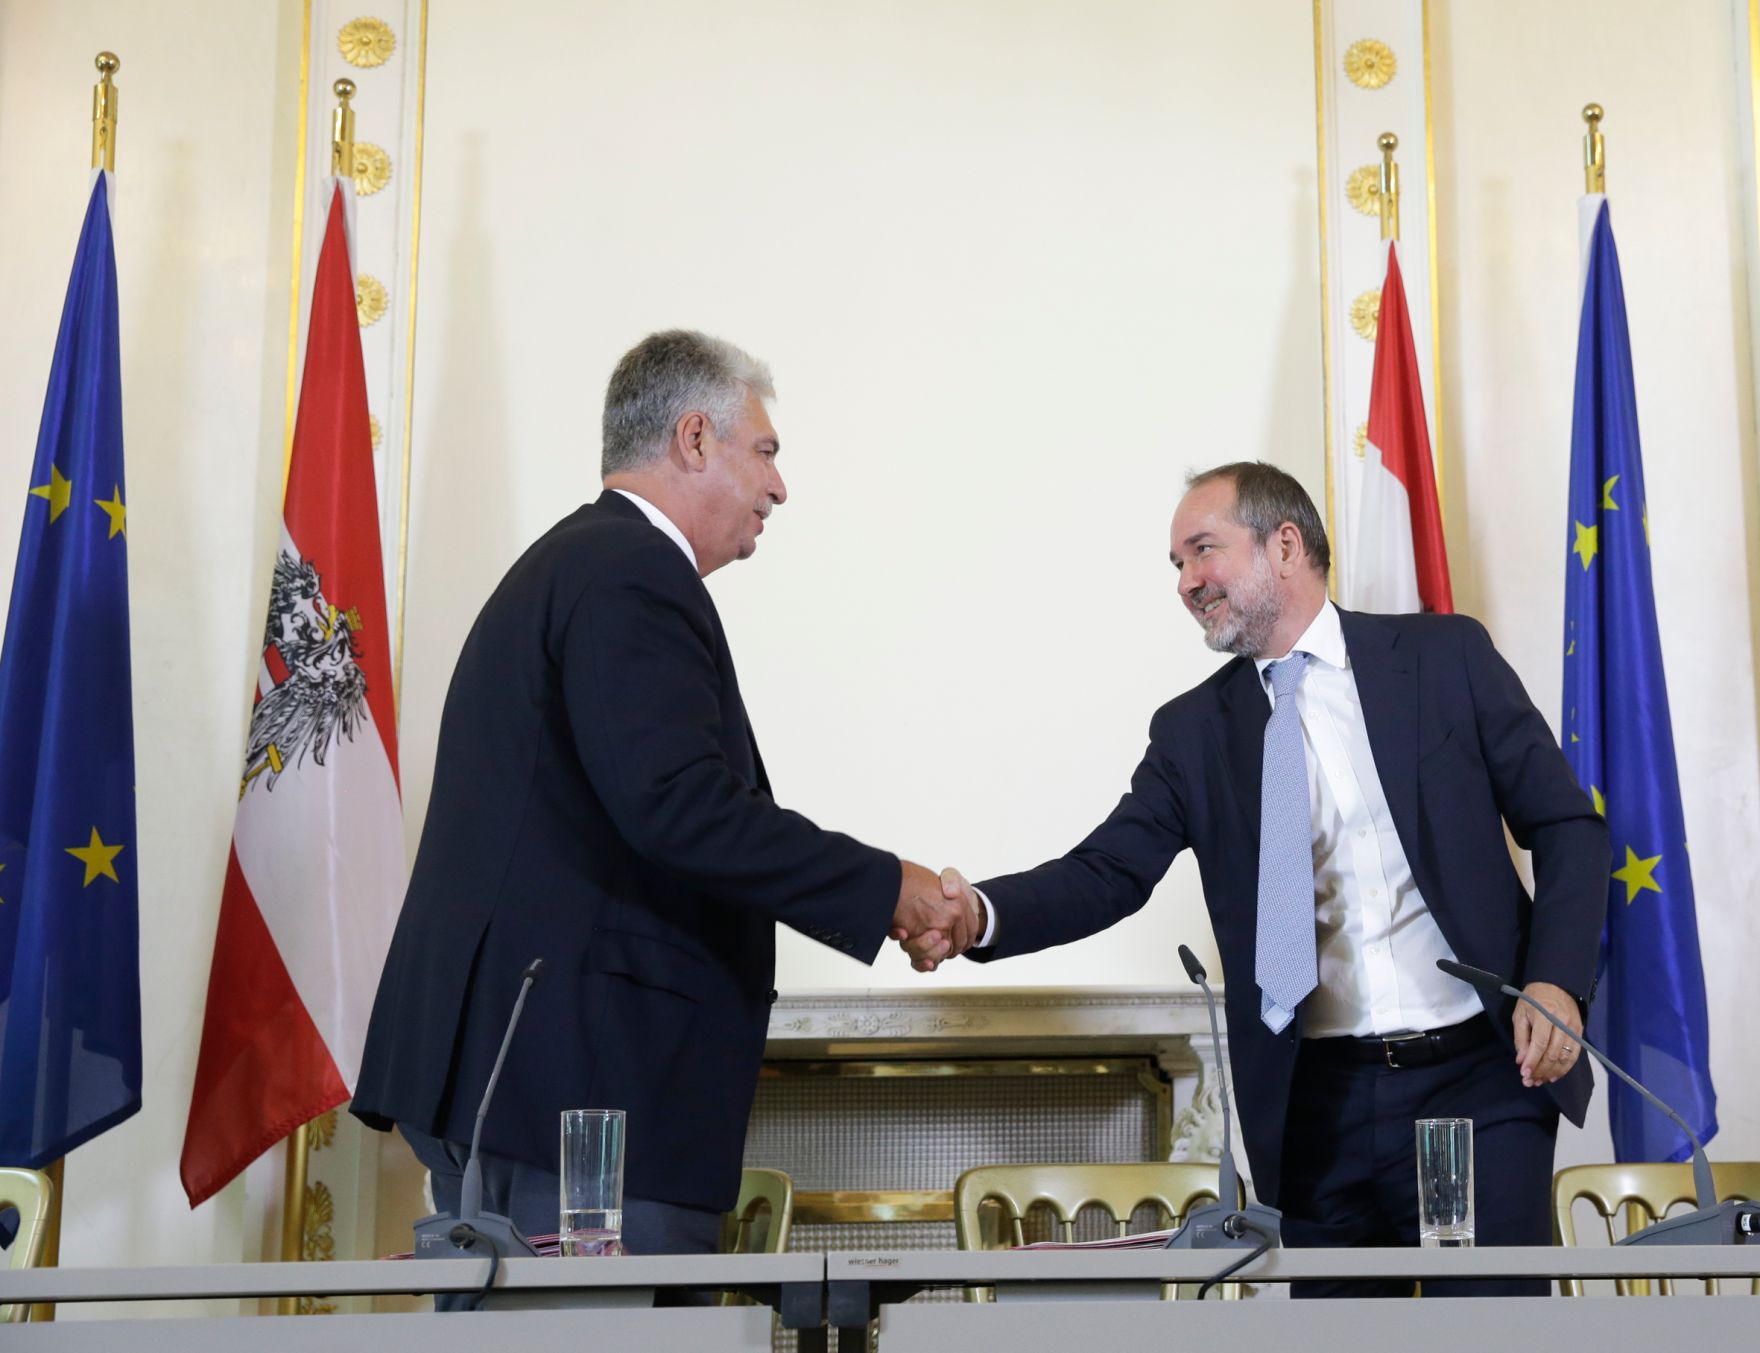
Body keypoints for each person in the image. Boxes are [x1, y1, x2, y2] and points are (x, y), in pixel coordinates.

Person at [354, 330, 979, 1257]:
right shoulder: (629, 571)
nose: (779, 487)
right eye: (765, 451)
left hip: (527, 1081)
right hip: (571, 1092)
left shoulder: (577, 563)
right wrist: (890, 887)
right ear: (694, 438)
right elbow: (680, 807)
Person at [919, 461, 1607, 1298]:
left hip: (1478, 1082)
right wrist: (978, 914)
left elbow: (1566, 825)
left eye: (1202, 551)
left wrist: (1558, 982)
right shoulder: (1193, 733)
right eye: (1175, 565)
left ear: (1285, 543)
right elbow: (1106, 871)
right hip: (1318, 1106)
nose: (1187, 582)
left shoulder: (1443, 659)